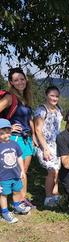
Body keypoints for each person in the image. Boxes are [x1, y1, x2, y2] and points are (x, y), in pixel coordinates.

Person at [0, 67, 37, 208]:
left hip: (26, 139)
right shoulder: (10, 97)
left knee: (24, 172)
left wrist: (33, 136)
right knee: (18, 172)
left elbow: (29, 119)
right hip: (16, 139)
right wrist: (7, 127)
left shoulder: (25, 98)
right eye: (16, 80)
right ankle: (17, 201)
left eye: (22, 79)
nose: (20, 82)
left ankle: (22, 199)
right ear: (11, 82)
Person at [34, 86, 63, 207]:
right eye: (52, 95)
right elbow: (38, 130)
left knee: (57, 170)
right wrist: (45, 148)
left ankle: (55, 195)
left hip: (57, 144)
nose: (54, 98)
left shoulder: (59, 109)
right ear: (46, 95)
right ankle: (48, 197)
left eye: (56, 96)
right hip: (45, 145)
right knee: (51, 171)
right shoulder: (41, 110)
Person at [0, 119, 31, 223]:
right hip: (3, 177)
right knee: (3, 194)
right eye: (2, 133)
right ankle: (5, 212)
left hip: (16, 174)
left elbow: (19, 157)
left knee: (17, 190)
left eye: (8, 132)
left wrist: (22, 170)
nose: (6, 135)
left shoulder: (14, 144)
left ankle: (17, 206)